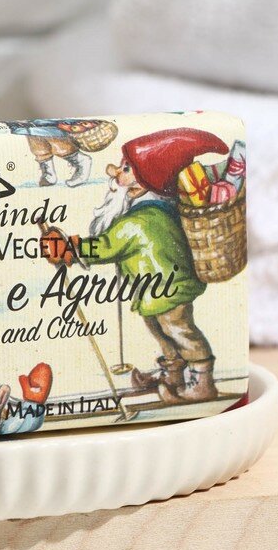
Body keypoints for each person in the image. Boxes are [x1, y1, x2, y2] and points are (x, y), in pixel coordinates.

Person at [42, 128, 229, 404]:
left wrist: (71, 247)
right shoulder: (146, 211)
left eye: (126, 169)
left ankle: (203, 383)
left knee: (179, 332)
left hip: (169, 290)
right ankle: (173, 377)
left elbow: (107, 246)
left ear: (144, 183)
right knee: (162, 332)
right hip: (155, 292)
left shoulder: (140, 221)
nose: (116, 174)